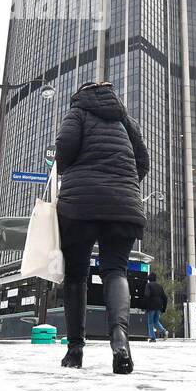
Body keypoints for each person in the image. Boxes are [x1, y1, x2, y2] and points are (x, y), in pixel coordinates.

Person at [54, 80, 150, 374]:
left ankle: (75, 349)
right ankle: (120, 342)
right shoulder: (126, 120)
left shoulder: (77, 112)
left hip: (79, 205)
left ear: (81, 94)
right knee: (115, 271)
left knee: (76, 276)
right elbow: (143, 163)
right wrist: (121, 185)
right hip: (123, 206)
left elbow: (64, 152)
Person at [143, 272, 168, 342]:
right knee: (156, 321)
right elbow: (165, 297)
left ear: (149, 279)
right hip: (159, 306)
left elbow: (146, 295)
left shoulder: (148, 285)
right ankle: (163, 331)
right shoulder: (160, 286)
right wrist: (164, 308)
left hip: (151, 306)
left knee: (150, 322)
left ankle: (153, 338)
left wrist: (145, 305)